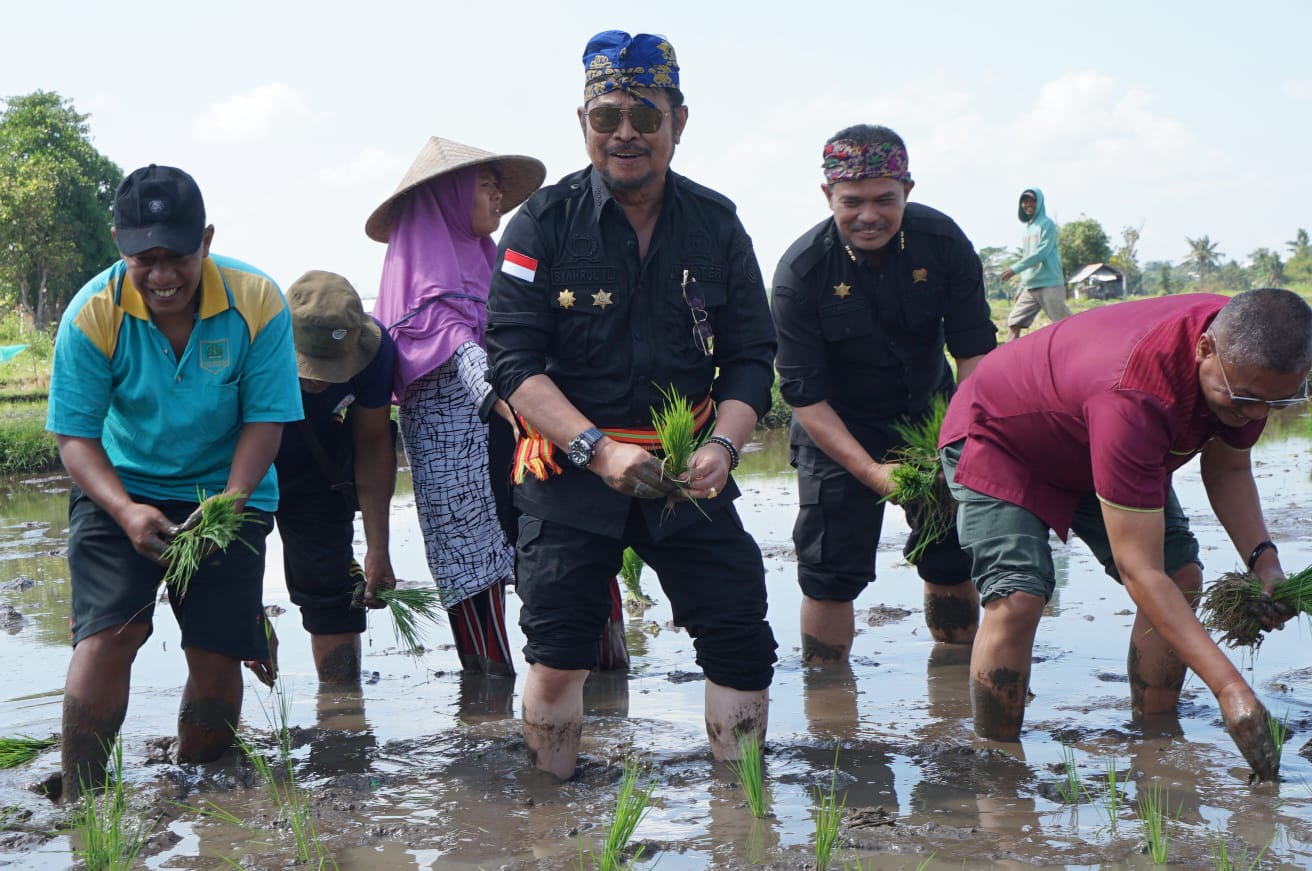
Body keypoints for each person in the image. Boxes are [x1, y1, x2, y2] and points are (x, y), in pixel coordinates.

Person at [486, 29, 779, 780]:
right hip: (569, 466)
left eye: (645, 117)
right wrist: (598, 450)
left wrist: (722, 446)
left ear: (678, 123)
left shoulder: (717, 226)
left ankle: (739, 812)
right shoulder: (540, 226)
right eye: (606, 116)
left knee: (741, 638)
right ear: (582, 123)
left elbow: (751, 357)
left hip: (689, 470)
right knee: (556, 650)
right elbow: (512, 362)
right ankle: (550, 818)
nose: (625, 134)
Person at [938, 288, 1311, 780]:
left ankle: (1155, 739)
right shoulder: (1137, 396)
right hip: (1003, 435)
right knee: (1019, 596)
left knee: (1182, 575)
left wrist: (1265, 562)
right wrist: (1230, 689)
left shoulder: (1254, 348)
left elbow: (1228, 469)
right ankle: (995, 763)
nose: (1258, 414)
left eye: (1279, 401)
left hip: (1093, 432)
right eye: (1244, 399)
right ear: (1204, 349)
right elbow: (1140, 571)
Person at [46, 165, 302, 799]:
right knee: (112, 634)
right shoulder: (91, 314)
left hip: (228, 487)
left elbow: (266, 420)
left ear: (206, 241)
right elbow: (74, 437)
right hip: (121, 485)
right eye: (145, 259)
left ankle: (202, 786)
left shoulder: (258, 301)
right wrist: (126, 510)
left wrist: (229, 503)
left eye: (177, 257)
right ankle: (82, 795)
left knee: (215, 650)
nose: (162, 276)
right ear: (120, 246)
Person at [771, 125, 996, 665]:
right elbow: (804, 396)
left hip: (932, 417)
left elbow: (973, 356)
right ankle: (828, 697)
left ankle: (953, 679)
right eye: (852, 202)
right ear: (828, 196)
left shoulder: (941, 244)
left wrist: (961, 438)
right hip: (836, 428)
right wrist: (872, 473)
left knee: (949, 557)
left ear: (907, 191)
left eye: (884, 200)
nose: (868, 215)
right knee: (829, 573)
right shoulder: (800, 273)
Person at [367, 137, 546, 677]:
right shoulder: (426, 289)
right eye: (485, 185)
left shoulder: (493, 267)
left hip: (515, 453)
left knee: (557, 568)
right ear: (448, 196)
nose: (498, 196)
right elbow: (467, 357)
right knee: (474, 581)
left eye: (498, 183)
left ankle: (592, 696)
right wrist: (532, 412)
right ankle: (488, 722)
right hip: (459, 470)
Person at [273, 269, 398, 684]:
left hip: (318, 469)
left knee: (334, 596)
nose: (316, 379)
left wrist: (378, 549)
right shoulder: (252, 343)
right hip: (240, 463)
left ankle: (342, 712)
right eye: (310, 366)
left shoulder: (376, 352)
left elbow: (374, 444)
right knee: (221, 599)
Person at [1000, 187, 1070, 342]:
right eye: (1024, 201)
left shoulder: (1047, 224)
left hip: (1050, 284)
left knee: (1065, 325)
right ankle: (1008, 361)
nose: (1028, 204)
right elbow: (1027, 256)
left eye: (1032, 200)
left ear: (1039, 203)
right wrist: (1021, 287)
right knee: (1014, 322)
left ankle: (1081, 348)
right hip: (1030, 286)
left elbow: (1041, 253)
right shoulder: (1027, 229)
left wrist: (1014, 268)